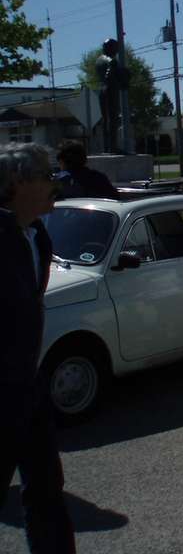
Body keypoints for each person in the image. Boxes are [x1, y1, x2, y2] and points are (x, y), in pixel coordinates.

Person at [0, 143, 77, 553]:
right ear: (17, 183)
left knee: (47, 490)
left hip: (28, 389)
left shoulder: (37, 236)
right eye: (46, 175)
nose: (55, 183)